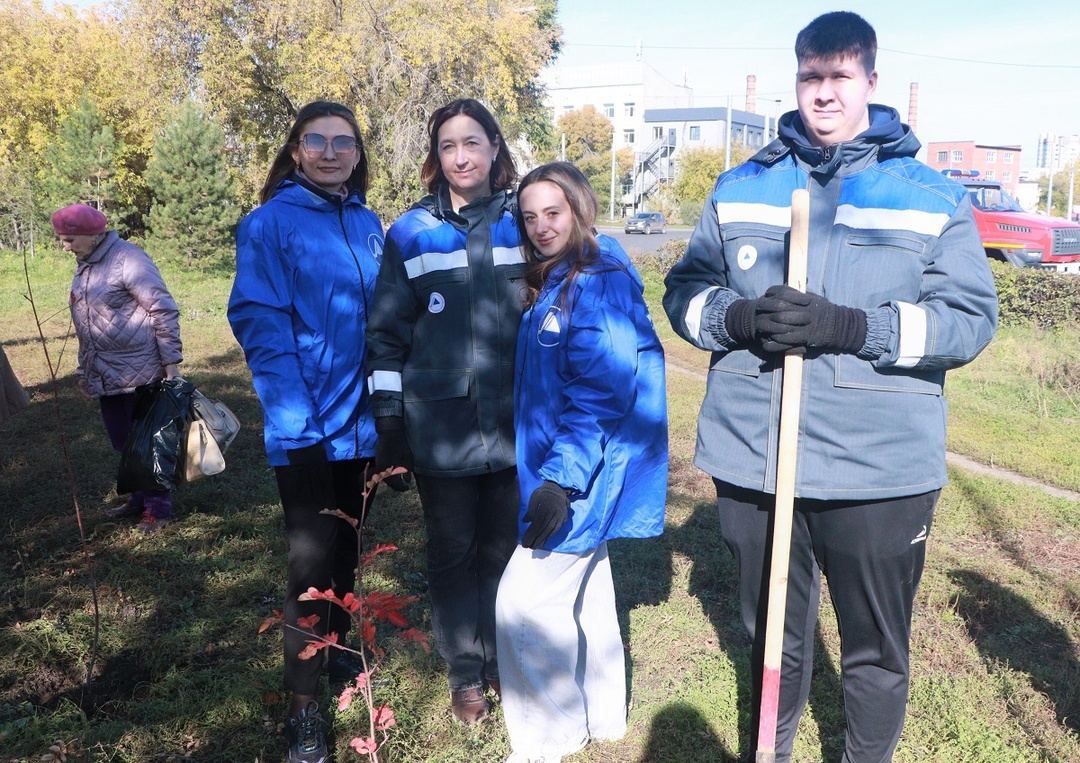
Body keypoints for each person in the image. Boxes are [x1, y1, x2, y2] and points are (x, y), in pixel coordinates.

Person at [662, 12, 998, 763]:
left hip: (879, 471)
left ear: (870, 83)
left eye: (839, 76)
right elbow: (683, 294)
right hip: (756, 461)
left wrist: (856, 329)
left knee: (875, 646)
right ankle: (771, 752)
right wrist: (739, 316)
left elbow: (969, 321)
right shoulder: (742, 186)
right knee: (770, 631)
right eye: (810, 76)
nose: (823, 93)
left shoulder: (929, 195)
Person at [227, 100, 384, 763]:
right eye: (314, 140)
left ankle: (344, 659)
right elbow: (263, 327)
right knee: (309, 566)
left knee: (347, 552)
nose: (327, 150)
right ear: (295, 151)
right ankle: (302, 713)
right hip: (309, 433)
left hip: (363, 429)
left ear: (356, 153)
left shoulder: (371, 223)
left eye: (341, 141)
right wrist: (301, 429)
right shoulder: (268, 224)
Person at [496, 162, 667, 763]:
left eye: (554, 212)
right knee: (588, 587)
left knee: (522, 603)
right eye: (530, 216)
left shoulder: (597, 279)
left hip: (584, 470)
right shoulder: (563, 274)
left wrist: (560, 482)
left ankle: (549, 739)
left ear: (580, 209)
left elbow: (601, 391)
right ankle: (603, 715)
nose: (542, 226)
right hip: (570, 463)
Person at [365, 98, 524, 725]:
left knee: (505, 552)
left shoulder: (525, 220)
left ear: (494, 148)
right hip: (441, 433)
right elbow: (384, 336)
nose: (461, 156)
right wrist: (390, 425)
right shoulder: (409, 232)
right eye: (449, 146)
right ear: (436, 157)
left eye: (473, 142)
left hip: (518, 426)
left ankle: (502, 660)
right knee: (453, 553)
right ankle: (466, 676)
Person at [54, 202, 183, 534]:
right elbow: (86, 325)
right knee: (122, 442)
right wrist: (85, 371)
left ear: (94, 234)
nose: (65, 247)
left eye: (70, 240)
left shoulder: (129, 259)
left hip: (141, 371)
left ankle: (158, 510)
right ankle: (139, 499)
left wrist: (171, 364)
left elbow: (163, 309)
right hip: (106, 373)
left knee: (147, 444)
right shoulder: (86, 265)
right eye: (63, 240)